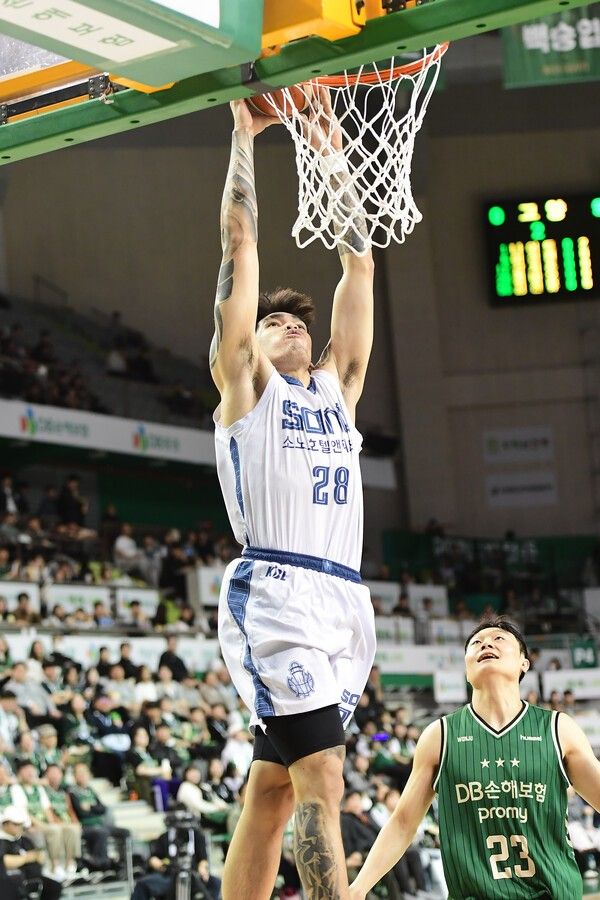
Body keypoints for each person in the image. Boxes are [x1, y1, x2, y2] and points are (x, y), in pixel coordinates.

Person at [211, 93, 376, 899]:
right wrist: (246, 136)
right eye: (273, 323)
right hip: (276, 590)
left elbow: (360, 264)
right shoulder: (246, 386)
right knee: (324, 779)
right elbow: (240, 244)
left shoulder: (340, 389)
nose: (288, 327)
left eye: (296, 323)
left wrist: (326, 143)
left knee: (272, 793)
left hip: (342, 598)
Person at [349, 617, 600, 899]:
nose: (486, 644)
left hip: (553, 893)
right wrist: (357, 889)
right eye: (476, 643)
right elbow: (403, 823)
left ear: (523, 663)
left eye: (499, 639)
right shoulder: (439, 735)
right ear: (467, 670)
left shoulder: (557, 728)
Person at [0, 805, 61, 900]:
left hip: (34, 878)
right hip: (13, 881)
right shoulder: (2, 841)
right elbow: (5, 862)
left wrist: (35, 856)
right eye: (15, 824)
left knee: (54, 886)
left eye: (20, 824)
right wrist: (27, 858)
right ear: (6, 824)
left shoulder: (23, 840)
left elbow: (39, 857)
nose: (19, 827)